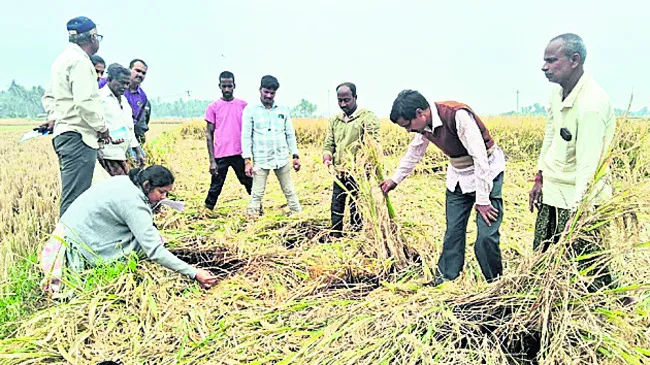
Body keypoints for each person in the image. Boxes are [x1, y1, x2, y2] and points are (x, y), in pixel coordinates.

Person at [379, 90, 506, 285]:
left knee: (486, 237)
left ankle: (495, 283)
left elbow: (480, 158)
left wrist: (482, 200)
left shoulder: (457, 115)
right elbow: (414, 153)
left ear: (420, 113)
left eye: (408, 125)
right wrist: (394, 180)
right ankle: (445, 281)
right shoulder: (424, 127)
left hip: (486, 173)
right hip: (458, 178)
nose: (408, 131)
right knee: (453, 233)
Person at [529, 33, 616, 291]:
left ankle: (599, 310)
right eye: (544, 61)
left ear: (574, 60)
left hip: (581, 200)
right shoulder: (558, 95)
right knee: (544, 262)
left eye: (552, 60)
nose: (544, 67)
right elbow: (552, 136)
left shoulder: (591, 105)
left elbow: (589, 166)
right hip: (554, 190)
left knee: (588, 269)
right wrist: (539, 177)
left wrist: (578, 215)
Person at [52, 165, 219, 289]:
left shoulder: (125, 181)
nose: (164, 197)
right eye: (161, 192)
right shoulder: (134, 203)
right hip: (79, 245)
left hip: (71, 231)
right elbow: (154, 251)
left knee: (149, 235)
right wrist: (194, 273)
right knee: (145, 245)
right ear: (147, 185)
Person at [41, 16, 112, 217]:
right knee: (75, 199)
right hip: (78, 136)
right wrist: (102, 127)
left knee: (78, 195)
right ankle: (67, 246)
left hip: (66, 134)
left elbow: (50, 96)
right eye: (98, 36)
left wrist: (54, 115)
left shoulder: (61, 60)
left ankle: (74, 243)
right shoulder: (80, 62)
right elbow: (84, 102)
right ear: (92, 37)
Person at [322, 82, 380, 239]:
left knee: (356, 205)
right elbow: (329, 143)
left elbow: (373, 145)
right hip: (339, 171)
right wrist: (327, 157)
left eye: (346, 100)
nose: (343, 104)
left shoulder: (367, 117)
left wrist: (363, 165)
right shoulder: (336, 120)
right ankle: (336, 235)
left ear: (355, 97)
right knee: (336, 203)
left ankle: (356, 236)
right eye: (340, 100)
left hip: (358, 171)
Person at [241, 75, 302, 217]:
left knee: (289, 190)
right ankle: (252, 219)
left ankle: (298, 216)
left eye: (272, 93)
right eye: (266, 92)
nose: (269, 96)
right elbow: (246, 136)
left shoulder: (283, 109)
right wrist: (247, 161)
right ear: (260, 90)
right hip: (261, 159)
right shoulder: (251, 110)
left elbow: (290, 133)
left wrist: (295, 155)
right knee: (257, 193)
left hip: (281, 158)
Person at [204, 71, 252, 210]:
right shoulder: (213, 107)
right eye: (224, 86)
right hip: (221, 154)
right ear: (219, 86)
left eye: (229, 86)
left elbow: (250, 130)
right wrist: (212, 161)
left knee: (248, 182)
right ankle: (207, 210)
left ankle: (257, 206)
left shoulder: (243, 106)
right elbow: (209, 134)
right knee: (216, 186)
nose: (227, 89)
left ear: (234, 86)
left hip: (239, 153)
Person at [98, 63, 146, 176]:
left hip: (121, 154)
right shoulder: (99, 99)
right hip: (106, 154)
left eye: (127, 84)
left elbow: (129, 128)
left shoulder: (124, 101)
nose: (125, 87)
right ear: (110, 79)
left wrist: (137, 150)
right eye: (121, 83)